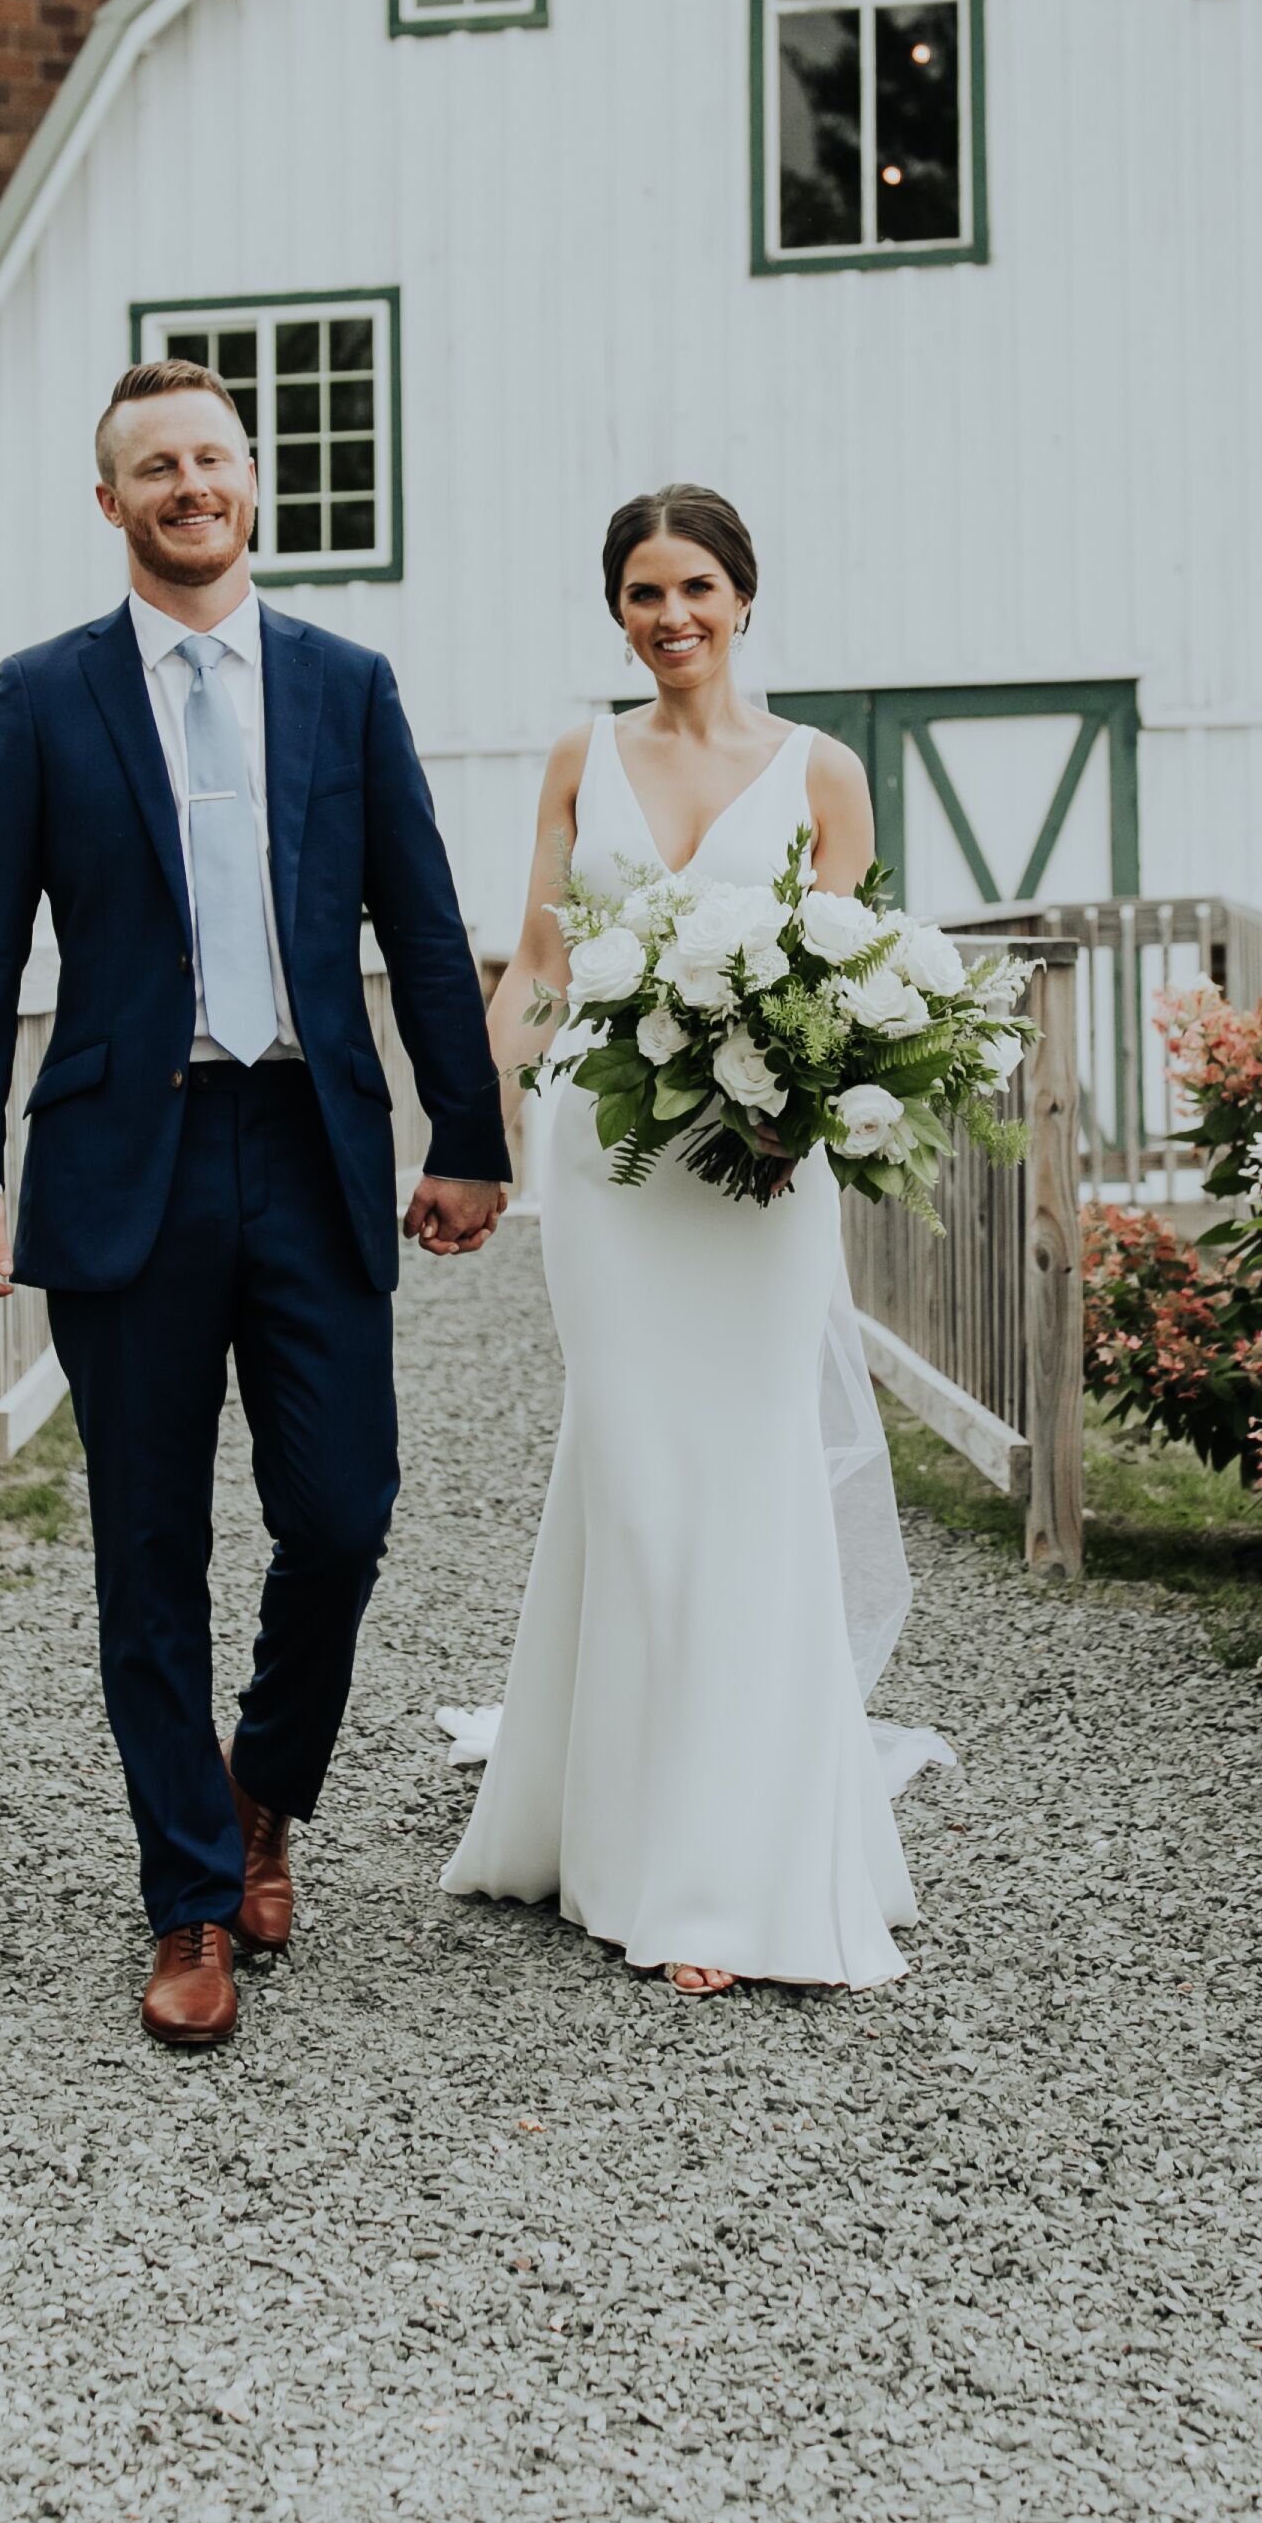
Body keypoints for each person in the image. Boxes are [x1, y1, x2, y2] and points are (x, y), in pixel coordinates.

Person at [0, 362, 511, 2052]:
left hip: (311, 1149)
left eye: (213, 460)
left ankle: (266, 1785)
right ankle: (188, 1896)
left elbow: (421, 911)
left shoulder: (345, 684)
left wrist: (466, 1134)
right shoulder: (41, 697)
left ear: (253, 486)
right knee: (148, 1548)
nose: (190, 486)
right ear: (109, 503)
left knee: (342, 1513)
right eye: (153, 468)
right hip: (129, 1167)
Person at [439, 485, 945, 1994]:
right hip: (610, 1167)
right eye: (645, 594)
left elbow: (842, 983)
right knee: (637, 1474)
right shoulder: (579, 755)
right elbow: (539, 959)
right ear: (619, 611)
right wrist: (481, 1139)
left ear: (745, 598)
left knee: (745, 1475)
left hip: (756, 1174)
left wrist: (805, 1108)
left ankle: (727, 1872)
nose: (673, 619)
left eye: (698, 589)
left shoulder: (821, 774)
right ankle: (611, 1824)